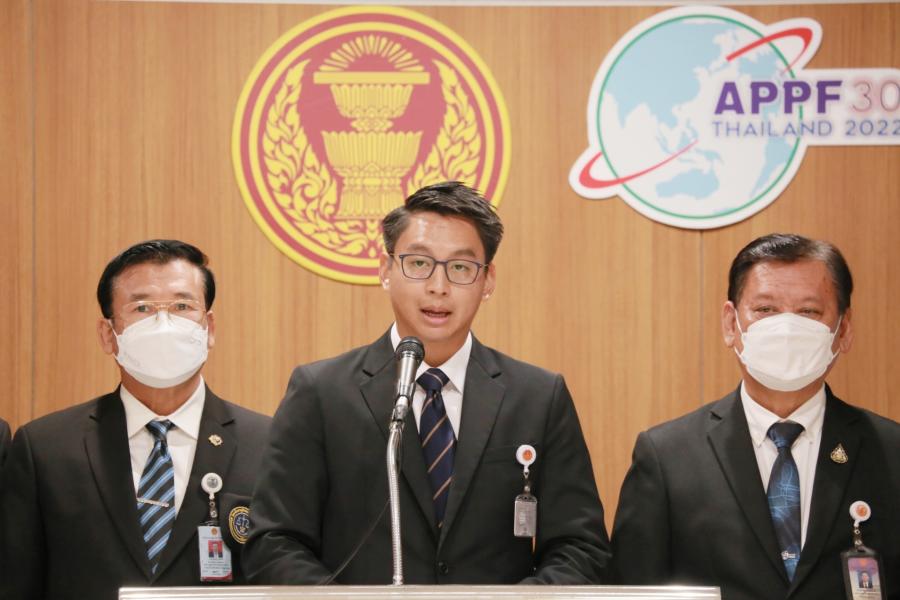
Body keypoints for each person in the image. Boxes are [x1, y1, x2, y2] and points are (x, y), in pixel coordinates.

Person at [244, 181, 611, 584]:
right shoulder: (321, 392)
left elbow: (580, 548)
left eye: (460, 268)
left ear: (488, 280)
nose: (439, 286)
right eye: (419, 263)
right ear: (386, 270)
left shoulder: (538, 397)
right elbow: (274, 542)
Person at [612, 233, 900, 600]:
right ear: (731, 324)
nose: (786, 329)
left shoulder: (891, 451)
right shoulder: (666, 457)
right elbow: (632, 590)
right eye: (765, 309)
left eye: (809, 312)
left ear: (843, 329)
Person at [0, 240, 271, 600]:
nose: (164, 323)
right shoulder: (44, 448)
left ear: (209, 328)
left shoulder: (268, 446)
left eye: (182, 306)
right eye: (142, 307)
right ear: (108, 335)